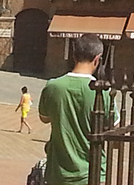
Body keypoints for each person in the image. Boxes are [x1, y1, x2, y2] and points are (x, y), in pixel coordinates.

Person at [37, 35, 104, 185]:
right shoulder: (103, 91)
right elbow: (112, 127)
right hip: (92, 172)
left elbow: (44, 117)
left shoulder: (53, 86)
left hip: (58, 172)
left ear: (74, 56)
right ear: (97, 59)